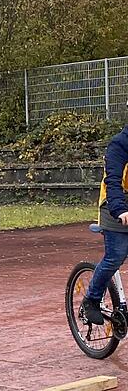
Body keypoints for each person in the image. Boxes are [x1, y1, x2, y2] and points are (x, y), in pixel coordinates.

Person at [81, 125, 128, 325]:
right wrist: (120, 210)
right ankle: (91, 300)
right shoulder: (119, 144)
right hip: (113, 203)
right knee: (116, 254)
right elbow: (113, 181)